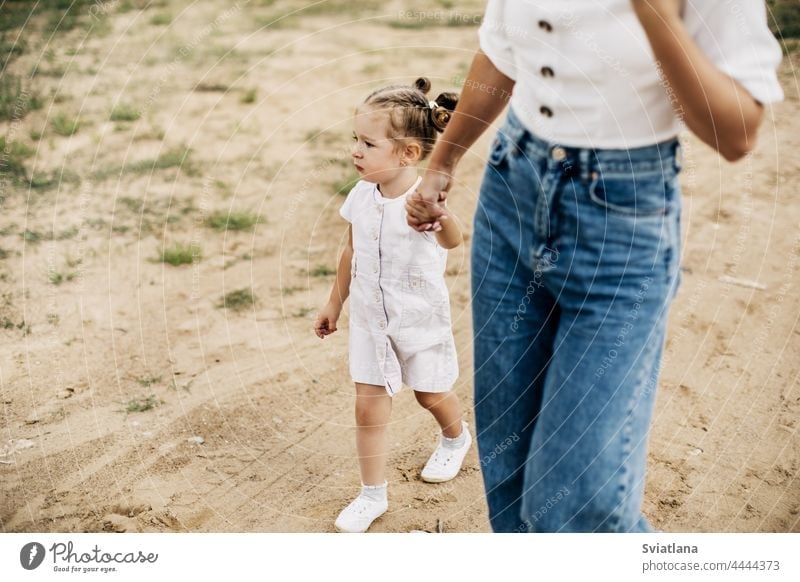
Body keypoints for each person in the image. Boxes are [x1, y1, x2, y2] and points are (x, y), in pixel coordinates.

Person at [405, 1, 783, 532]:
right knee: (509, 474)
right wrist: (443, 163)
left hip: (622, 221)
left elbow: (737, 133)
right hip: (511, 192)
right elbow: (501, 51)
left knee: (575, 507)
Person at [314, 78, 472, 533]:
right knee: (368, 406)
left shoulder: (422, 199)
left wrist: (439, 215)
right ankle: (372, 494)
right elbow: (351, 251)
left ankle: (455, 438)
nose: (356, 151)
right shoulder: (360, 195)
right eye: (355, 140)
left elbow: (453, 239)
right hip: (369, 321)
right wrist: (334, 303)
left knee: (430, 394)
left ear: (407, 153)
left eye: (367, 143)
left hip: (418, 320)